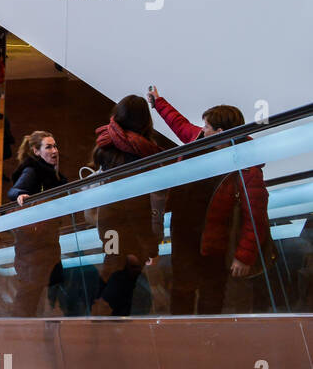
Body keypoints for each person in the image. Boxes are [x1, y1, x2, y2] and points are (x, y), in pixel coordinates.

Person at [149, 87, 271, 315]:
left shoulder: (247, 168)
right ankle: (181, 335)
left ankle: (208, 338)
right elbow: (180, 124)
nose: (202, 130)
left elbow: (255, 215)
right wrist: (158, 102)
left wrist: (244, 256)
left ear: (220, 132)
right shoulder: (199, 140)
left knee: (211, 292)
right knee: (181, 288)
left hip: (215, 242)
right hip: (184, 233)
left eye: (206, 127)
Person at [89, 95, 163, 315]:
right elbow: (135, 207)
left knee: (111, 267)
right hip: (130, 233)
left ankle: (101, 320)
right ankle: (104, 321)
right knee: (123, 283)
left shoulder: (107, 144)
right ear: (144, 121)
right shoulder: (140, 155)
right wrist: (149, 245)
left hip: (108, 225)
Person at [7, 131, 68, 316]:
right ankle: (20, 336)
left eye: (55, 146)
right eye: (48, 147)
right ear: (36, 151)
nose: (54, 150)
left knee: (39, 295)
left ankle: (37, 331)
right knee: (28, 297)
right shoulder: (33, 170)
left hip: (47, 245)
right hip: (33, 249)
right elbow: (14, 191)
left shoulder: (53, 174)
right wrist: (20, 195)